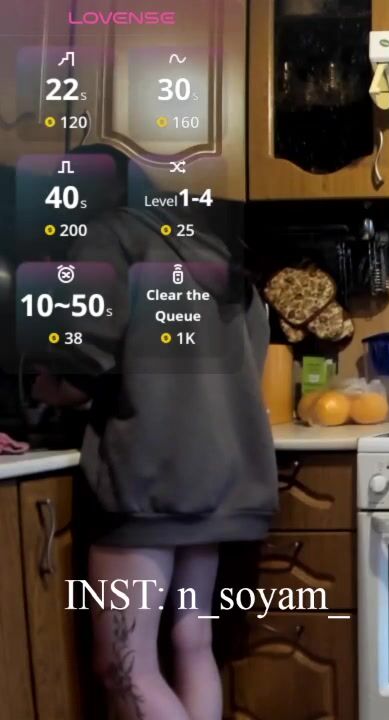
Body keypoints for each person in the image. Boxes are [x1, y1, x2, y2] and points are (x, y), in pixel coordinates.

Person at [32, 146, 276, 720]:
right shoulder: (213, 249)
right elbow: (254, 356)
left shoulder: (108, 237)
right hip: (221, 476)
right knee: (192, 643)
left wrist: (39, 384)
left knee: (124, 666)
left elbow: (82, 368)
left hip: (151, 475)